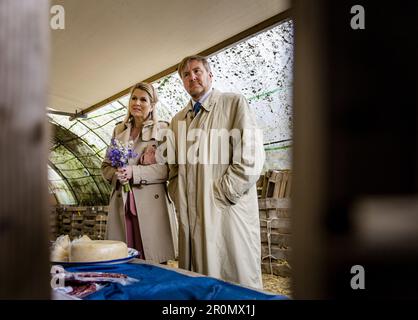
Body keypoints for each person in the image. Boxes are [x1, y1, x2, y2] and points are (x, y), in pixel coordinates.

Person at [167, 55, 265, 289]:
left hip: (226, 212)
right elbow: (172, 169)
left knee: (233, 279)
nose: (192, 77)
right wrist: (181, 198)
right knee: (197, 283)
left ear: (210, 75)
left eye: (197, 71)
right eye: (186, 75)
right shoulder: (177, 120)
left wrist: (221, 194)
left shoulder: (233, 103)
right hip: (191, 217)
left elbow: (250, 157)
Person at [101, 82, 177, 264]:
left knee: (152, 262)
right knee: (123, 261)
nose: (137, 102)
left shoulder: (163, 130)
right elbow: (105, 167)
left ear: (152, 105)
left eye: (143, 99)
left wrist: (134, 172)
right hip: (122, 205)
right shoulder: (118, 130)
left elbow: (168, 170)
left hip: (151, 207)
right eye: (134, 98)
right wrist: (116, 174)